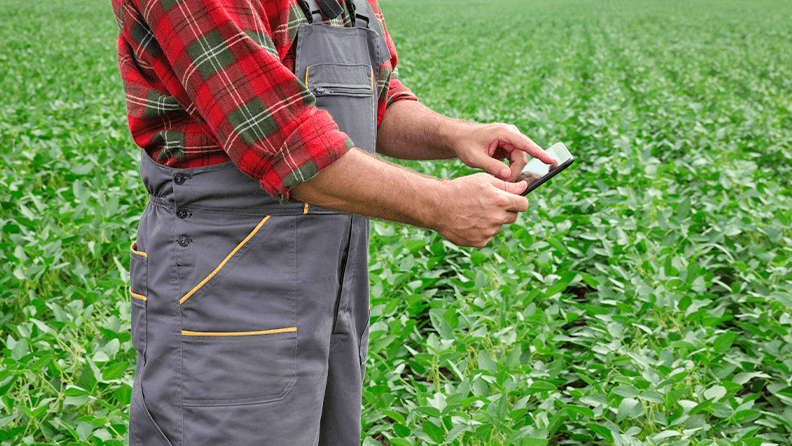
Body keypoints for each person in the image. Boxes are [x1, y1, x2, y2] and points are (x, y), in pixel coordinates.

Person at [113, 0, 557, 445]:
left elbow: (377, 101)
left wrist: (455, 135)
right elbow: (282, 137)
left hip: (331, 279)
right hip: (226, 278)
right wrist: (440, 203)